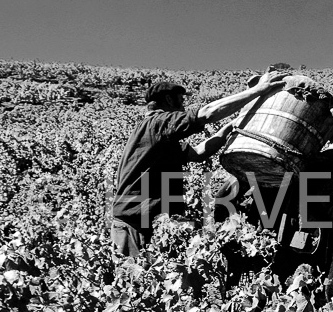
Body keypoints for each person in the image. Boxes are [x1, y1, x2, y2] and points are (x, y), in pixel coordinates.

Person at [111, 74, 285, 257]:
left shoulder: (160, 139)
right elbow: (207, 113)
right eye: (180, 101)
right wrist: (257, 91)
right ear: (169, 100)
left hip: (148, 225)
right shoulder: (158, 122)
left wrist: (233, 125)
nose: (184, 107)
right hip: (133, 226)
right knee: (136, 280)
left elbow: (199, 153)